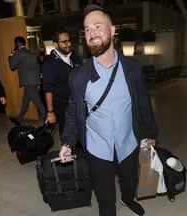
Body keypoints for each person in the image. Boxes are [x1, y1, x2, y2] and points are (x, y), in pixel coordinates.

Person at [59, 4, 159, 216]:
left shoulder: (132, 69)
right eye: (87, 29)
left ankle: (127, 198)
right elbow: (72, 112)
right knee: (105, 198)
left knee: (130, 181)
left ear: (112, 30)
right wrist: (67, 141)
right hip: (97, 146)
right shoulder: (79, 77)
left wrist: (152, 133)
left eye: (97, 26)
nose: (92, 33)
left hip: (128, 141)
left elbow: (143, 104)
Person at [42, 27, 81, 139]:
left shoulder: (74, 56)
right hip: (62, 104)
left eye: (69, 40)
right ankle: (67, 155)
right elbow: (48, 88)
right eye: (64, 42)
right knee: (66, 133)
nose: (68, 44)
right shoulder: (49, 63)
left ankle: (80, 154)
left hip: (78, 101)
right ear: (55, 44)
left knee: (81, 131)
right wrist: (50, 111)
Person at [8, 36, 47, 126]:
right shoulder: (30, 53)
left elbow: (12, 66)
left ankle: (47, 119)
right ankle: (19, 119)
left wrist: (10, 56)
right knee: (25, 101)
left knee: (38, 102)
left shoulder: (20, 53)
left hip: (28, 81)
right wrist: (38, 82)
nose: (15, 45)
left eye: (15, 44)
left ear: (18, 43)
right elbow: (37, 68)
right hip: (33, 81)